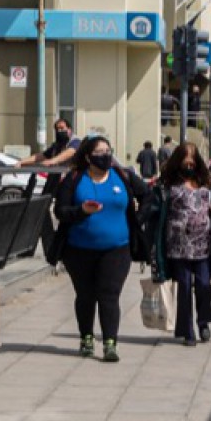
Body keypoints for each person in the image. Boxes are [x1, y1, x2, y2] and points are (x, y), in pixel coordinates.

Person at [51, 135, 145, 363]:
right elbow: (60, 211)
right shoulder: (74, 179)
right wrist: (81, 210)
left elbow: (149, 198)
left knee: (109, 295)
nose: (105, 156)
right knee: (85, 296)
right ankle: (86, 338)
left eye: (108, 151)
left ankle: (110, 343)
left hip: (117, 249)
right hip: (78, 250)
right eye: (99, 152)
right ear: (87, 156)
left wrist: (137, 218)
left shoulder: (123, 177)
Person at [151, 143, 211, 346]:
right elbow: (155, 207)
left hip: (204, 245)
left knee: (203, 284)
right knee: (184, 286)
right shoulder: (167, 183)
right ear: (178, 160)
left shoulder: (207, 181)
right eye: (185, 158)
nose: (189, 162)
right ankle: (187, 331)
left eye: (192, 158)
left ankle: (203, 322)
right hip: (177, 245)